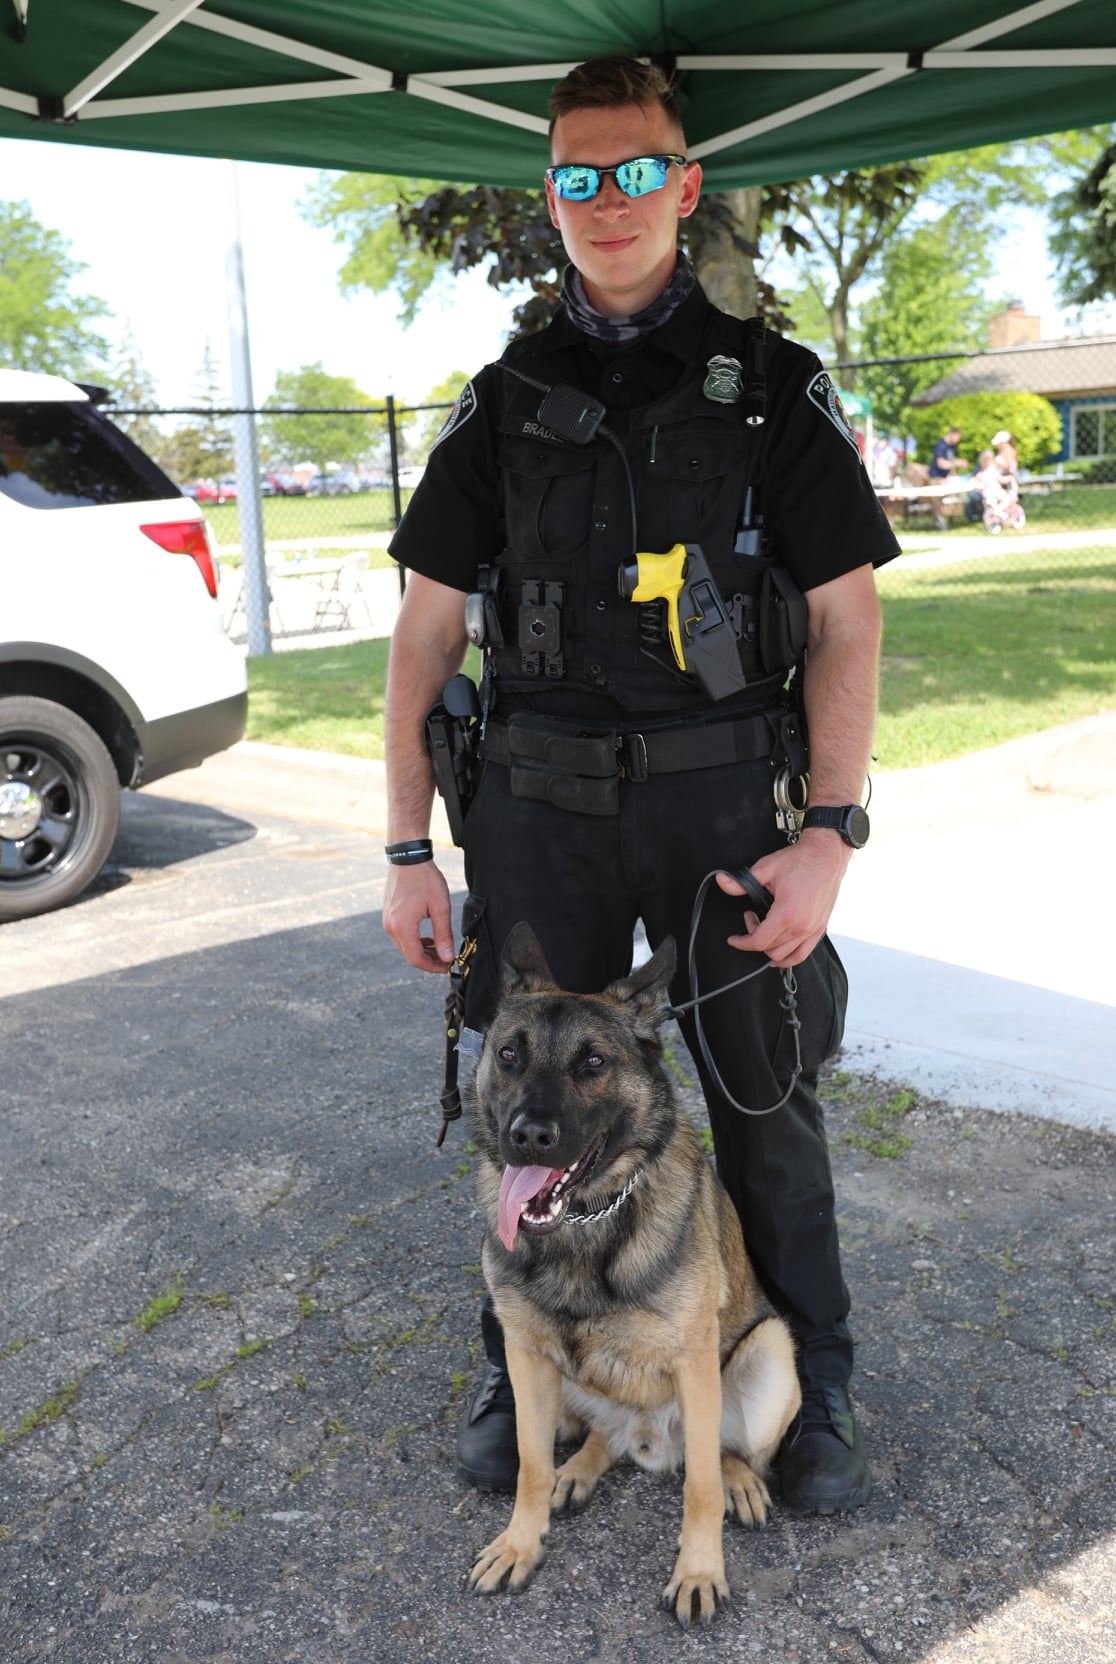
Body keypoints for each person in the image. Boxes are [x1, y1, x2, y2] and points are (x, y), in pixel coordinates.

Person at [381, 55, 901, 1518]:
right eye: (577, 176)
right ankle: (523, 1369)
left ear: (683, 184)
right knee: (529, 1096)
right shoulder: (501, 402)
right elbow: (426, 632)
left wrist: (830, 835)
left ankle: (814, 1376)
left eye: (634, 172)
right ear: (550, 195)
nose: (606, 201)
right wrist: (407, 849)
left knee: (763, 1099)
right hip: (535, 814)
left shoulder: (775, 392)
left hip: (721, 811)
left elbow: (848, 619)